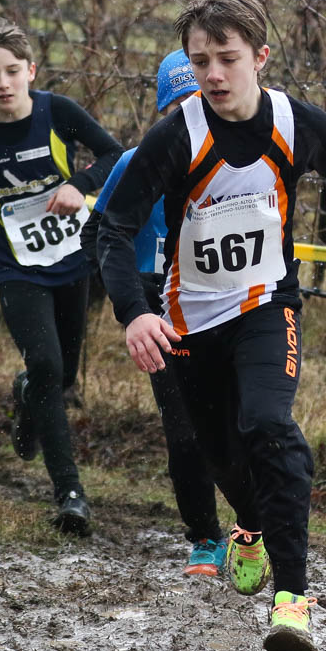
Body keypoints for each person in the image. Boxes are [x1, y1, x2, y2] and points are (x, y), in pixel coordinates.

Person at [97, 0, 326, 651]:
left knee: (270, 428)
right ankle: (248, 524)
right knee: (221, 455)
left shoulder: (294, 124)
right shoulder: (177, 135)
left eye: (228, 58)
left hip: (265, 306)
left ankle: (293, 601)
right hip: (188, 323)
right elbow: (113, 228)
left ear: (260, 57)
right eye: (201, 61)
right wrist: (135, 314)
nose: (214, 74)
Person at [0, 24, 122, 535]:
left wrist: (79, 185)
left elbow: (114, 153)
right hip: (15, 265)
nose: (4, 83)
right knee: (48, 364)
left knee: (62, 376)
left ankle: (28, 391)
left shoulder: (58, 111)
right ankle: (70, 493)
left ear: (31, 71)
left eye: (12, 72)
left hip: (71, 258)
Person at [85, 49, 248, 576]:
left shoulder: (240, 161)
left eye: (199, 101)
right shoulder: (136, 164)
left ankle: (256, 527)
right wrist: (131, 303)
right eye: (178, 107)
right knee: (184, 428)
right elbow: (97, 234)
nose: (191, 114)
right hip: (162, 308)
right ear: (163, 113)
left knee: (245, 422)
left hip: (229, 303)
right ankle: (204, 537)